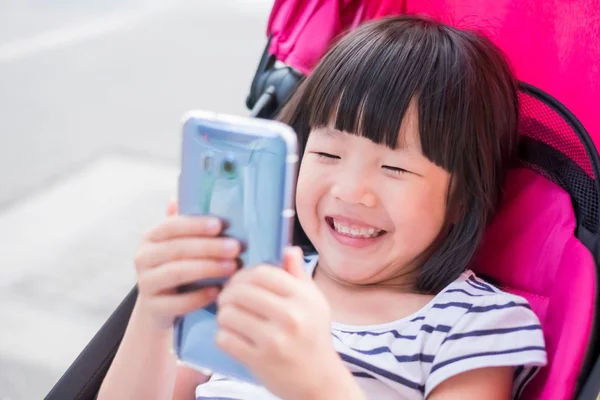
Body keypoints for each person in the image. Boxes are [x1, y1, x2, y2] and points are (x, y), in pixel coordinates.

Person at [98, 15, 547, 400]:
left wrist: (317, 383)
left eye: (394, 167)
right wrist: (154, 317)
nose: (352, 192)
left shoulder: (473, 326)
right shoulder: (260, 284)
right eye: (328, 155)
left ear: (461, 197)